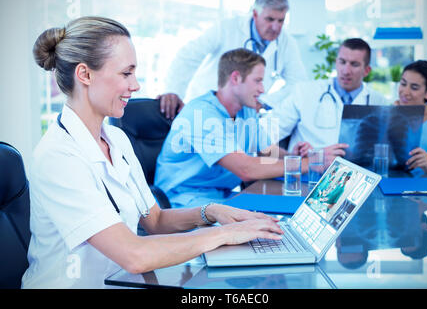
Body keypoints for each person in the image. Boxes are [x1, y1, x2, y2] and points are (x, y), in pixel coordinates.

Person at [22, 17, 284, 289]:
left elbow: (155, 220)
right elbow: (134, 255)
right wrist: (227, 234)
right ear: (85, 75)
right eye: (126, 73)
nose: (135, 85)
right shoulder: (59, 156)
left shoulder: (116, 139)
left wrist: (212, 212)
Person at [155, 48, 332, 208]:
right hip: (183, 200)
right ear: (236, 78)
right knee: (260, 230)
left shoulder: (246, 111)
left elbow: (267, 152)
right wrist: (309, 165)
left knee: (286, 218)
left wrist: (295, 156)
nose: (262, 89)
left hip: (220, 196)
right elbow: (246, 170)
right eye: (258, 81)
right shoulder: (200, 114)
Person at [158, 0, 307, 114]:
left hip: (243, 114)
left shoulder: (286, 42)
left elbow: (298, 82)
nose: (276, 27)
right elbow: (188, 56)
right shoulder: (227, 29)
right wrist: (173, 91)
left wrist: (265, 103)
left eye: (281, 20)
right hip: (206, 107)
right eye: (270, 19)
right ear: (255, 14)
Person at [266, 38, 387, 154]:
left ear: (366, 70)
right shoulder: (304, 92)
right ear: (336, 62)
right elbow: (266, 135)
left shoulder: (380, 102)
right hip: (309, 170)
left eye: (354, 64)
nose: (346, 70)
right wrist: (290, 156)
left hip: (359, 171)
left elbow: (387, 149)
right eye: (342, 62)